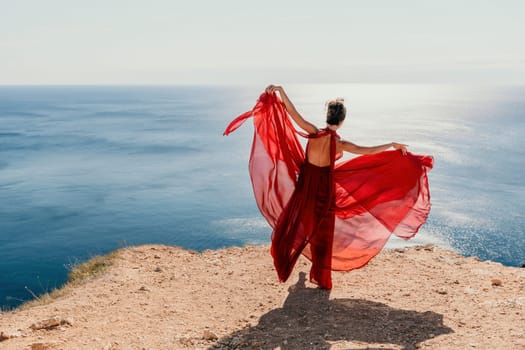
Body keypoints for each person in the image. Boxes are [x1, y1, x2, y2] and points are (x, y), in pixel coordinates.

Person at [224, 85, 433, 289]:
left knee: (302, 225)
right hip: (325, 192)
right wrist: (390, 145)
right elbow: (367, 151)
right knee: (322, 233)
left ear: (327, 116)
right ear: (341, 121)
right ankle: (320, 276)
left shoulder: (314, 133)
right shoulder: (340, 144)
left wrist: (280, 91)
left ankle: (298, 265)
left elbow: (293, 114)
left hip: (306, 189)